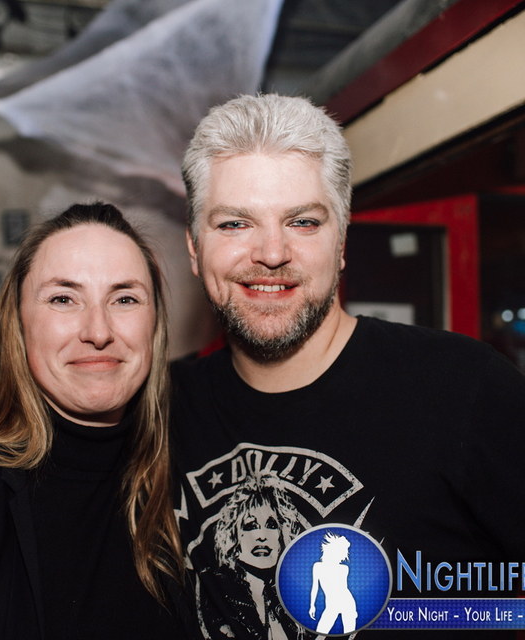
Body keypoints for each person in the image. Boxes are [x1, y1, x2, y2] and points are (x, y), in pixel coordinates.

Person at [171, 93, 525, 639]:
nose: (271, 252)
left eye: (303, 222)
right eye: (235, 223)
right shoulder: (163, 409)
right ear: (195, 249)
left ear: (340, 243)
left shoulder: (464, 388)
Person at [0, 202, 194, 639]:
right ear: (18, 324)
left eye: (125, 298)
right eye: (63, 299)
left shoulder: (187, 469)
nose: (98, 331)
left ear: (156, 323)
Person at [197, 473, 306, 639]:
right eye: (251, 526)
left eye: (271, 525)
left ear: (281, 534)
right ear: (233, 536)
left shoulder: (292, 595)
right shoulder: (217, 592)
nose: (261, 536)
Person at [309, 532, 357, 635]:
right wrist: (312, 605)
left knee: (349, 634)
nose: (344, 555)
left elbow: (343, 589)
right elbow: (315, 587)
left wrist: (352, 611)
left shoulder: (344, 568)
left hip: (347, 603)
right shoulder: (318, 566)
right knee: (321, 632)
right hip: (331, 606)